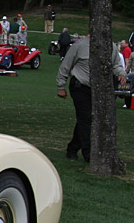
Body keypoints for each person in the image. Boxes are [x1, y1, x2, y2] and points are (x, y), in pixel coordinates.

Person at [55, 33, 128, 162]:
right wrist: (61, 86)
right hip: (80, 86)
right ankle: (88, 153)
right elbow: (66, 65)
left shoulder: (109, 47)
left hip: (99, 89)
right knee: (86, 118)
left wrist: (121, 74)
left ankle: (72, 148)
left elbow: (116, 64)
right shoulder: (80, 46)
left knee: (87, 119)